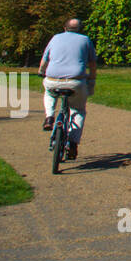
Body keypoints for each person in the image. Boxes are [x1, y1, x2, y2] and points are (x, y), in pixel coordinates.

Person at [39, 18, 98, 161]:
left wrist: (41, 71)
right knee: (78, 110)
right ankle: (72, 143)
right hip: (76, 81)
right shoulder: (85, 40)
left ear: (64, 28)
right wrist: (92, 80)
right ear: (80, 29)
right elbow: (92, 64)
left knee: (49, 93)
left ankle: (49, 117)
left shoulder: (55, 38)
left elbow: (45, 60)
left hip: (53, 80)